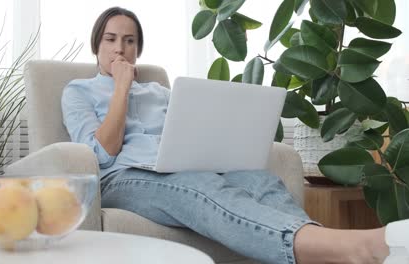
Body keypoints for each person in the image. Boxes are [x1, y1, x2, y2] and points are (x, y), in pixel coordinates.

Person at [61, 6, 404, 264]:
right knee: (203, 187)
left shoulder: (160, 91)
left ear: (138, 48)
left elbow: (190, 134)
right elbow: (104, 153)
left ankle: (322, 252)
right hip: (124, 179)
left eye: (129, 40)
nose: (120, 48)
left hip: (178, 168)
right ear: (97, 45)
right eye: (111, 39)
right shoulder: (78, 91)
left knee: (258, 180)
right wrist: (122, 86)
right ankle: (357, 248)